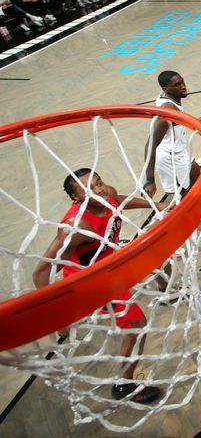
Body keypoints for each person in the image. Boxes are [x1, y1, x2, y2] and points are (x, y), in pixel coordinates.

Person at [33, 169, 167, 403]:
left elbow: (121, 200)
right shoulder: (74, 227)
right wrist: (56, 316)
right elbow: (41, 272)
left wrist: (155, 205)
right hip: (89, 281)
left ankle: (166, 290)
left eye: (99, 182)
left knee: (159, 255)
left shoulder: (108, 195)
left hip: (109, 260)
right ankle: (124, 385)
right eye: (90, 189)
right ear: (78, 198)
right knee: (137, 325)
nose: (100, 189)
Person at [143, 71, 201, 199]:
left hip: (180, 148)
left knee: (196, 173)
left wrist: (194, 122)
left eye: (182, 81)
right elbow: (150, 145)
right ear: (166, 89)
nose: (183, 86)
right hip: (169, 157)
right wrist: (150, 180)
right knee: (183, 195)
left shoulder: (170, 98)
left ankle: (199, 202)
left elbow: (178, 120)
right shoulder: (167, 112)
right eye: (177, 85)